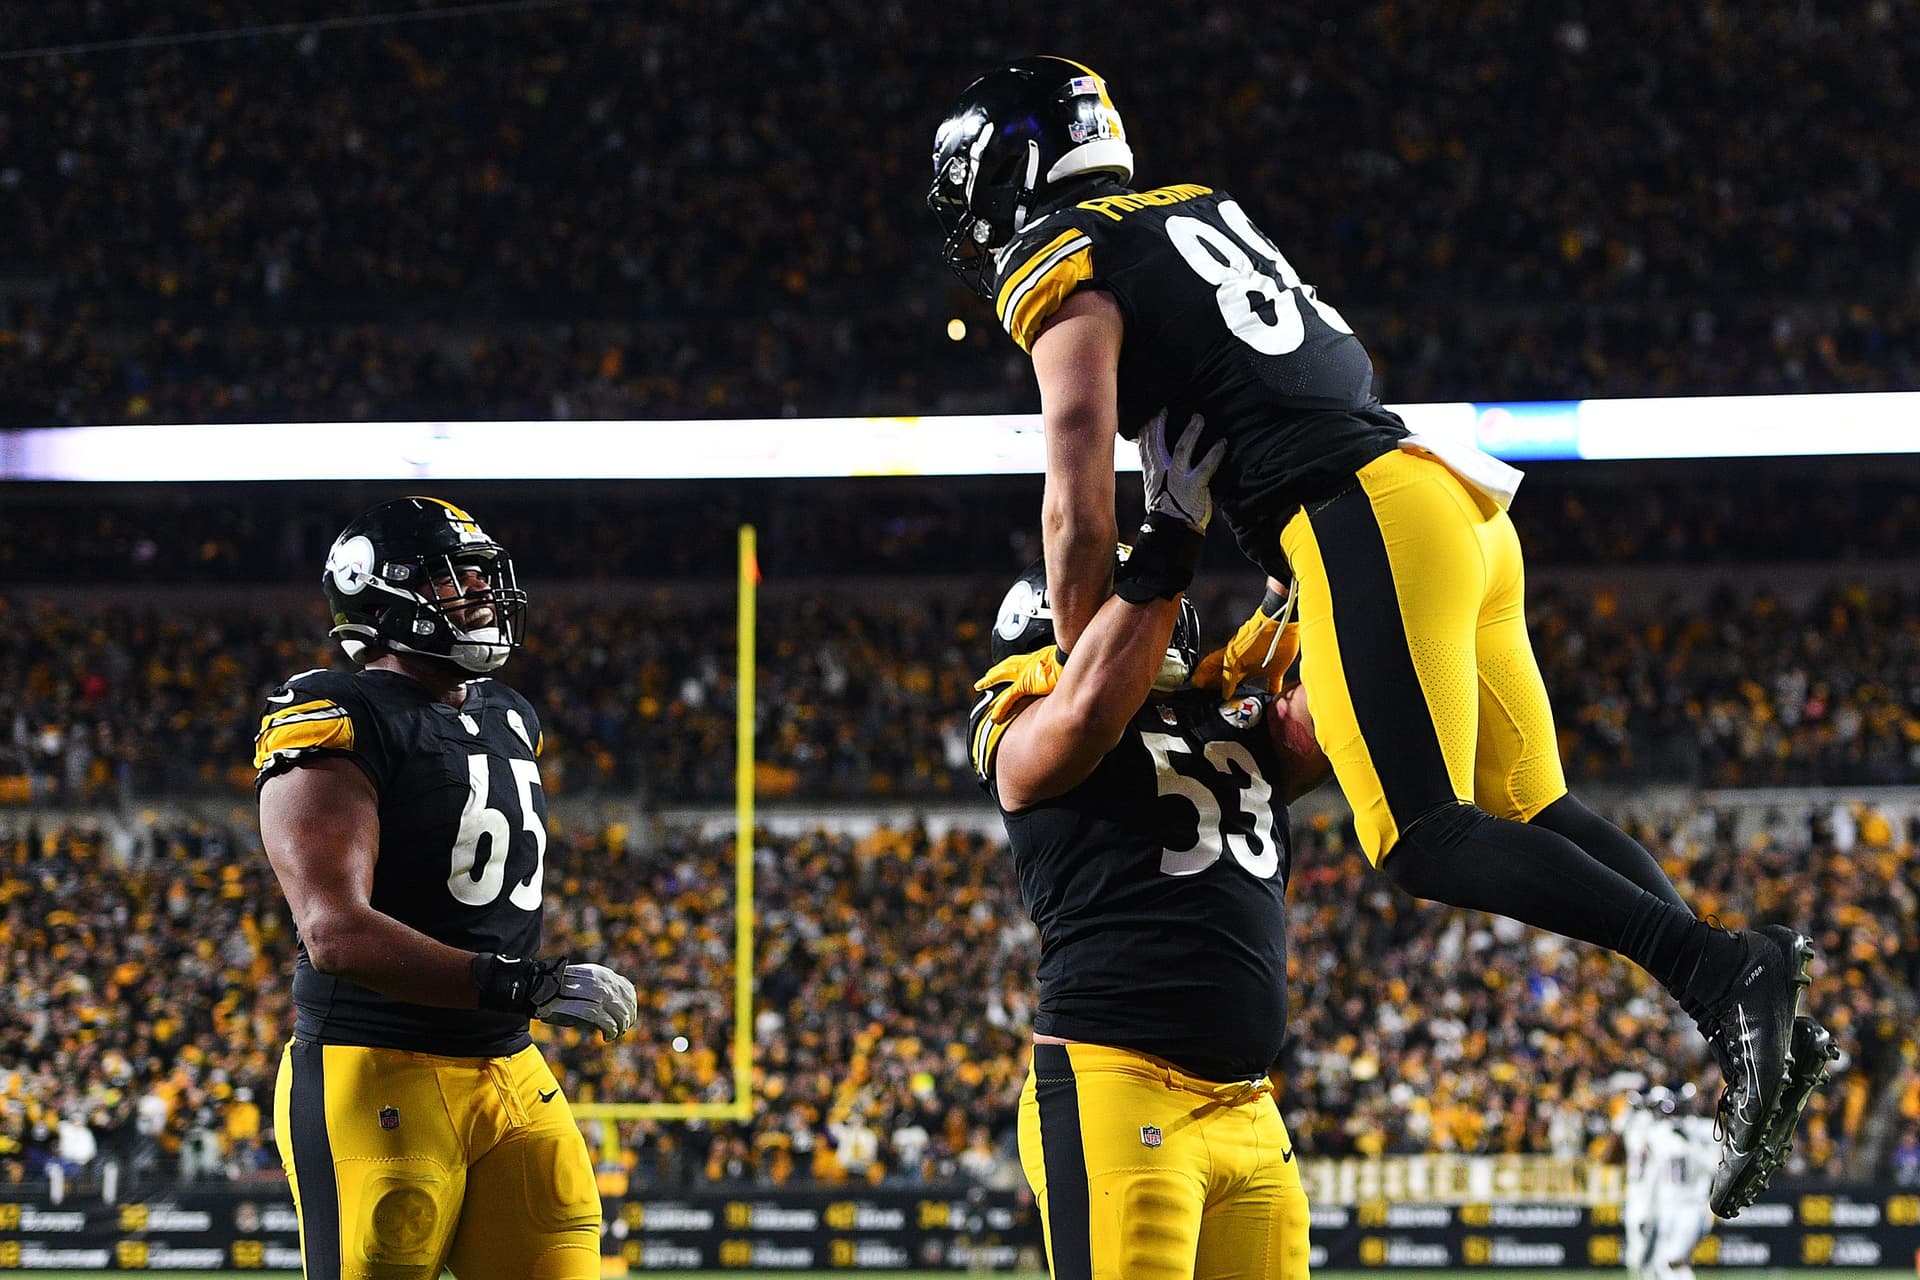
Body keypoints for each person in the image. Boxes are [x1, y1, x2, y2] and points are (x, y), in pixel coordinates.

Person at [928, 55, 1828, 1217]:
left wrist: (1089, 627)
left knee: (1420, 836)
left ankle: (1727, 969)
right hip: (1445, 499)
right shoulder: (1190, 208)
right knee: (1531, 812)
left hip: (1357, 516)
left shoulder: (1061, 259)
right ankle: (1738, 1008)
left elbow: (1076, 474)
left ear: (1010, 163)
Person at [966, 415, 1329, 1279]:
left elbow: (1335, 723)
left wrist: (1327, 557)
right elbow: (1090, 707)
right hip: (1116, 1081)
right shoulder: (1022, 725)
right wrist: (1167, 535)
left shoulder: (1225, 714)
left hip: (1249, 1106)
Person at [254, 496, 638, 1279]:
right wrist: (521, 983)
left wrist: (515, 994)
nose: (481, 595)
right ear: (378, 589)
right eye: (454, 579)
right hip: (375, 1062)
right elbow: (334, 932)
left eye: (481, 576)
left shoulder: (511, 716)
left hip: (507, 1065)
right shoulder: (336, 712)